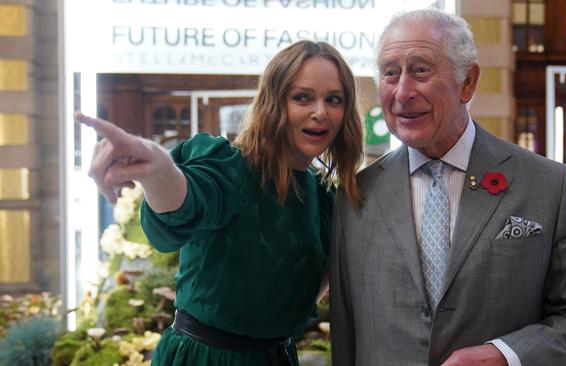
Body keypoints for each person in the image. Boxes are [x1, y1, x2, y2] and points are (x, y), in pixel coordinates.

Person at [329, 8, 566, 366]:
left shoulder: (547, 185)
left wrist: (505, 355)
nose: (403, 92)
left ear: (468, 82)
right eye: (390, 73)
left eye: (420, 70)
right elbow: (345, 337)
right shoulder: (355, 196)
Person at [75, 40, 364, 366]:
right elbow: (186, 199)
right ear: (274, 102)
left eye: (334, 100)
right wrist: (157, 167)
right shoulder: (231, 168)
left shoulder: (324, 198)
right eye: (302, 97)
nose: (320, 112)